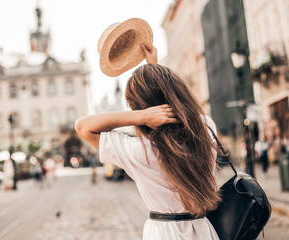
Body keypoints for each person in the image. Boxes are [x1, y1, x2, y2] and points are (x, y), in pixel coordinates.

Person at [75, 45, 221, 240]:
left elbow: (82, 126)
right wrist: (157, 73)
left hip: (164, 234)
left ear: (139, 108)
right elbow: (182, 113)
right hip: (204, 230)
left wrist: (141, 116)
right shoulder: (206, 128)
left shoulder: (140, 151)